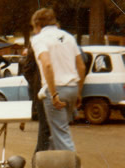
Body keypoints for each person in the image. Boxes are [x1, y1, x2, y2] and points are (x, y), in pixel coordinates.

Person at [31, 8, 85, 152]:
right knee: (57, 132)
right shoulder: (68, 37)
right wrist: (78, 91)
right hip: (72, 88)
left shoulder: (39, 39)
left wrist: (54, 94)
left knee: (61, 134)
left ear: (37, 25)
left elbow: (47, 64)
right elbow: (81, 66)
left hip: (56, 89)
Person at [22, 45, 51, 152]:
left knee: (47, 126)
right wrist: (36, 84)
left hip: (46, 89)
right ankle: (40, 155)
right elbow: (27, 70)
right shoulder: (36, 45)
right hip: (42, 89)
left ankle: (42, 153)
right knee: (45, 126)